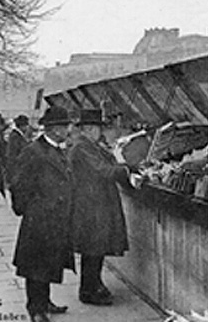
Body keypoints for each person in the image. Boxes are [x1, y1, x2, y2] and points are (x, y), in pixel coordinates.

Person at [10, 106, 75, 322]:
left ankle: (45, 301)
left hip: (54, 219)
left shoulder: (55, 148)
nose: (69, 129)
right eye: (66, 126)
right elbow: (18, 184)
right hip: (39, 220)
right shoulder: (34, 151)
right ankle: (35, 309)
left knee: (47, 264)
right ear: (55, 129)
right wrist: (31, 210)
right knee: (36, 266)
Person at [68, 109, 129, 306]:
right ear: (89, 129)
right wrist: (127, 170)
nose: (100, 132)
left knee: (97, 248)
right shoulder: (82, 148)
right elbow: (103, 170)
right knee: (92, 248)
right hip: (91, 206)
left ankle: (95, 283)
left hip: (96, 204)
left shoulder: (90, 145)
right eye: (97, 129)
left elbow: (108, 163)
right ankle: (88, 290)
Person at [6, 115, 31, 183]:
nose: (27, 128)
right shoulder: (16, 137)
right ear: (22, 126)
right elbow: (14, 154)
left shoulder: (17, 136)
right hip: (16, 170)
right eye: (26, 126)